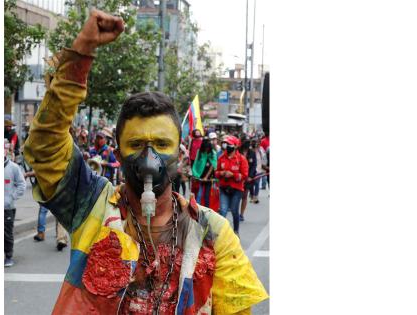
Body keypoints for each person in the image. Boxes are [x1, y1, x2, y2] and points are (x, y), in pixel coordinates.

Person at [23, 10, 267, 314]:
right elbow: (45, 145)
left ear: (180, 153)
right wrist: (82, 51)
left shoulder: (211, 231)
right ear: (118, 149)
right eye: (136, 144)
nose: (149, 157)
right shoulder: (91, 207)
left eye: (162, 144)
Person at [24, 171, 69, 250]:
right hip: (60, 190)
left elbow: (38, 171)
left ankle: (41, 233)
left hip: (47, 191)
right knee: (60, 215)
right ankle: (61, 238)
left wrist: (27, 174)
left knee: (43, 211)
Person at [215, 136, 248, 235]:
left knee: (234, 210)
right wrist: (221, 173)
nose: (226, 146)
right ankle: (220, 233)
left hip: (236, 189)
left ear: (235, 146)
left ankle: (236, 231)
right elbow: (216, 172)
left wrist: (233, 175)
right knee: (223, 211)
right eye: (225, 144)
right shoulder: (221, 158)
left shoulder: (241, 159)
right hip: (224, 188)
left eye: (229, 144)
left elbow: (245, 175)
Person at [4, 140, 26, 267]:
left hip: (8, 208)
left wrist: (11, 197)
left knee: (7, 233)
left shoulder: (13, 168)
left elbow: (22, 184)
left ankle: (8, 256)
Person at [192, 138, 217, 208]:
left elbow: (213, 166)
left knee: (206, 196)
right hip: (199, 177)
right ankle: (196, 210)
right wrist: (195, 175)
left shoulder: (213, 153)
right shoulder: (199, 152)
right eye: (205, 148)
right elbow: (195, 164)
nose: (206, 150)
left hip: (209, 178)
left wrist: (206, 177)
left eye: (208, 148)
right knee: (198, 195)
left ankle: (207, 211)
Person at [239, 138, 256, 221]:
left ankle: (241, 214)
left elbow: (254, 166)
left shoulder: (252, 153)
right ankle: (235, 211)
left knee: (245, 196)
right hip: (238, 178)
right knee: (237, 196)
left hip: (248, 179)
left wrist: (250, 176)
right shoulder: (237, 151)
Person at [251, 139, 266, 203]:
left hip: (259, 169)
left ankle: (256, 197)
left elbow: (264, 158)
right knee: (251, 184)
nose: (257, 144)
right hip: (252, 170)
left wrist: (264, 167)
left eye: (258, 143)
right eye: (256, 143)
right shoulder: (251, 150)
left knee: (257, 183)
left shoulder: (261, 150)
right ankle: (252, 195)